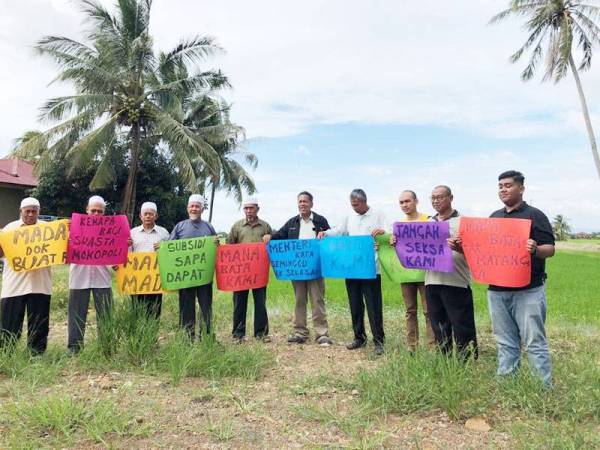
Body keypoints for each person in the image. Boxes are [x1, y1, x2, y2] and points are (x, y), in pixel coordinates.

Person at [488, 170, 555, 386]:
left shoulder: (535, 215)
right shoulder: (494, 218)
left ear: (521, 188)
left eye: (508, 185)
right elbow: (484, 249)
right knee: (505, 341)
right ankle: (507, 384)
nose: (503, 189)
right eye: (500, 186)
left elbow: (550, 249)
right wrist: (462, 246)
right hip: (497, 290)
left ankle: (542, 388)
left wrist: (535, 249)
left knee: (534, 340)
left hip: (529, 289)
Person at [319, 189, 386, 355]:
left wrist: (383, 233)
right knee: (355, 304)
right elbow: (339, 231)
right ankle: (359, 337)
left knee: (373, 305)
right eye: (352, 205)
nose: (354, 208)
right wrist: (325, 233)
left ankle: (379, 341)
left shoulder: (378, 215)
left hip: (371, 268)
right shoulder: (349, 216)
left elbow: (388, 233)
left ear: (364, 202)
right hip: (351, 268)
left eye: (356, 205)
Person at [263, 191, 333, 346]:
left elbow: (330, 239)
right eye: (300, 201)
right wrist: (270, 237)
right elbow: (279, 235)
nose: (302, 204)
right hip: (298, 269)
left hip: (316, 269)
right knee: (299, 300)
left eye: (305, 201)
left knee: (317, 299)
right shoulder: (292, 222)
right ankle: (300, 332)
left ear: (311, 203)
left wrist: (326, 234)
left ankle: (322, 334)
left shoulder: (321, 221)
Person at [425, 185, 477, 358]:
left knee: (462, 325)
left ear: (451, 198)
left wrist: (461, 247)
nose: (436, 201)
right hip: (432, 281)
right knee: (439, 325)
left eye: (440, 197)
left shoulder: (463, 222)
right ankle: (444, 358)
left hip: (457, 282)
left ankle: (466, 361)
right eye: (433, 198)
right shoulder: (428, 223)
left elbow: (476, 251)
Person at [0, 197, 52, 354]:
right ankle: (7, 353)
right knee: (9, 321)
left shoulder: (48, 230)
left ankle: (36, 354)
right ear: (20, 211)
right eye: (27, 211)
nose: (30, 214)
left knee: (39, 322)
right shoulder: (9, 229)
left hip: (40, 284)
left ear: (39, 212)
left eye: (34, 211)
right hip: (14, 284)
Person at [67, 195, 114, 354]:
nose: (96, 214)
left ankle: (106, 347)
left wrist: (124, 243)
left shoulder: (112, 231)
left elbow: (118, 258)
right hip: (79, 279)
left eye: (99, 211)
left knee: (106, 315)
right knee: (76, 315)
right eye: (93, 210)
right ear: (87, 210)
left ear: (104, 213)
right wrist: (64, 232)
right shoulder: (73, 228)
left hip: (103, 279)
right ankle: (74, 349)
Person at [391, 190, 435, 351]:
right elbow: (395, 250)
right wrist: (391, 242)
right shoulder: (399, 225)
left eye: (407, 201)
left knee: (428, 311)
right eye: (401, 202)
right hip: (406, 273)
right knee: (410, 310)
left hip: (426, 274)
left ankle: (432, 346)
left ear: (416, 201)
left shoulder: (429, 220)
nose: (404, 205)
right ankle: (412, 346)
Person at [170, 194, 219, 340]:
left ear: (202, 209)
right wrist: (161, 247)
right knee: (186, 307)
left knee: (205, 306)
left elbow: (216, 247)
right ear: (187, 208)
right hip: (185, 276)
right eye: (191, 206)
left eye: (197, 206)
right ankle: (187, 337)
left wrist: (217, 243)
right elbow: (170, 247)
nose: (194, 208)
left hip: (204, 276)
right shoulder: (180, 226)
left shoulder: (208, 227)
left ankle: (206, 336)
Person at [227, 197, 273, 343]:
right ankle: (238, 334)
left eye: (251, 208)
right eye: (246, 208)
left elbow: (272, 247)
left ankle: (261, 334)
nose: (248, 211)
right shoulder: (237, 226)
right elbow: (229, 247)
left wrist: (270, 237)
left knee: (260, 303)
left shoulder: (265, 226)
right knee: (239, 303)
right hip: (241, 273)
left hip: (259, 273)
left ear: (257, 209)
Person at [128, 201, 170, 319]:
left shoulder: (164, 233)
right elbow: (128, 254)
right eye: (145, 214)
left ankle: (152, 335)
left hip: (156, 279)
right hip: (137, 278)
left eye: (151, 214)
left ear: (156, 216)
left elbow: (171, 253)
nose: (148, 216)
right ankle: (139, 336)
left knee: (154, 310)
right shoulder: (132, 233)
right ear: (140, 216)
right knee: (137, 309)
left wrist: (163, 248)